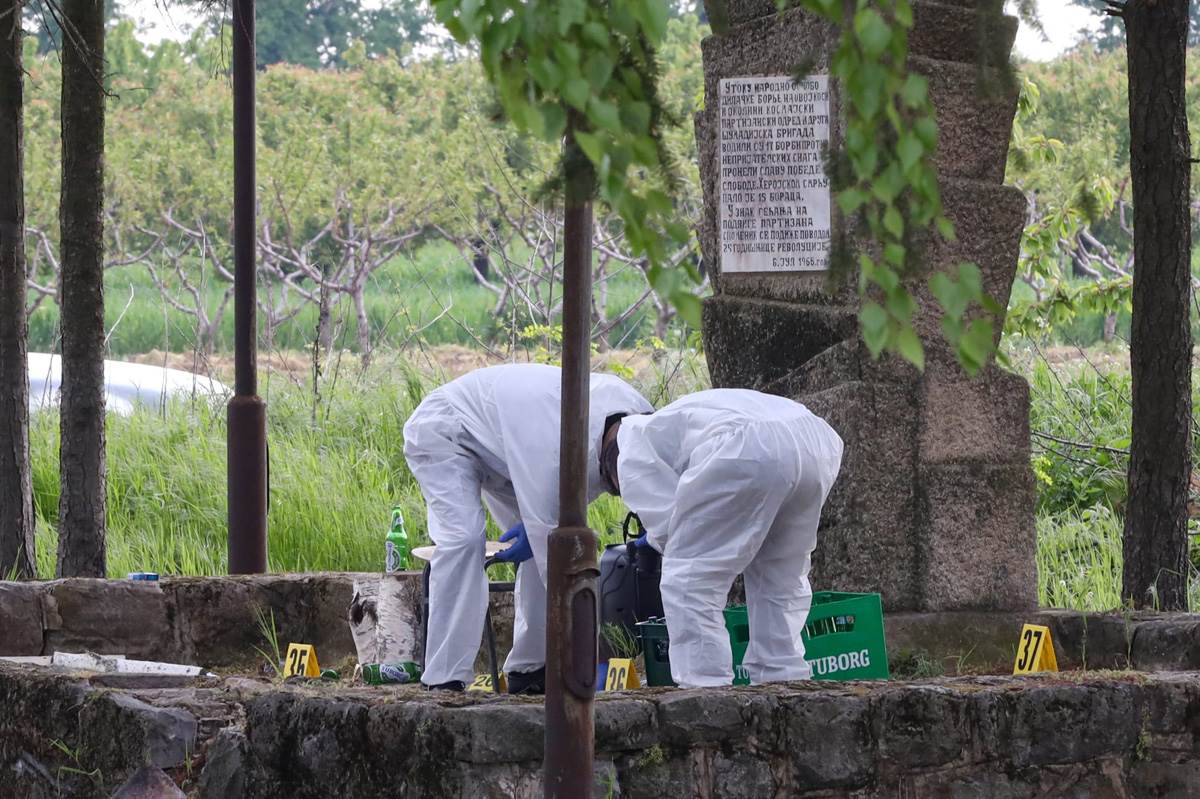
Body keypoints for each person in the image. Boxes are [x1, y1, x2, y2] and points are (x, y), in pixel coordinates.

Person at [404, 363, 652, 693]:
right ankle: (444, 678)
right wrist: (588, 660)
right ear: (604, 462)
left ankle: (531, 669)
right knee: (465, 540)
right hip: (449, 428)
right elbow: (562, 561)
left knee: (544, 544)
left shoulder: (647, 425)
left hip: (505, 442)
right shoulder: (553, 448)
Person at [598, 388, 843, 688]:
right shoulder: (675, 420)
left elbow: (670, 532)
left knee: (690, 578)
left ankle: (705, 692)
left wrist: (664, 541)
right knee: (781, 574)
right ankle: (785, 684)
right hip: (814, 439)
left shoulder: (629, 444)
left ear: (609, 469)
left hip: (746, 446)